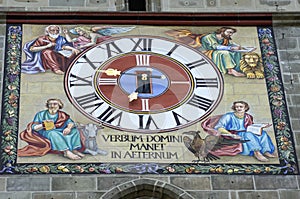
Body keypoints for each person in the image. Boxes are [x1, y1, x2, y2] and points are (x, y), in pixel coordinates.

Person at [18, 98, 84, 160]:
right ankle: (66, 152)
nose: (52, 106)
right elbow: (34, 127)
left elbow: (70, 122)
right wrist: (44, 125)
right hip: (46, 131)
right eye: (50, 104)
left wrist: (68, 128)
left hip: (60, 130)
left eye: (55, 104)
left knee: (74, 131)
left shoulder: (63, 115)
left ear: (59, 105)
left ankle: (74, 150)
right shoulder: (41, 114)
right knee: (53, 133)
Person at [213, 101, 277, 162]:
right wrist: (231, 135)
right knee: (248, 135)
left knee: (263, 133)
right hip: (234, 134)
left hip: (247, 131)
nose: (238, 108)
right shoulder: (228, 116)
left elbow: (250, 126)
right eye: (237, 107)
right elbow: (219, 127)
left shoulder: (248, 116)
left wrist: (261, 126)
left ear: (245, 108)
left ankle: (266, 151)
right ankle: (257, 152)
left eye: (241, 107)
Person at [65, 25, 135, 50]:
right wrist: (66, 34)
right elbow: (70, 41)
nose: (79, 33)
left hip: (107, 42)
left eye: (79, 31)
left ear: (84, 30)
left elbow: (93, 43)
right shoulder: (81, 37)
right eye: (77, 32)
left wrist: (82, 46)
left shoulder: (93, 34)